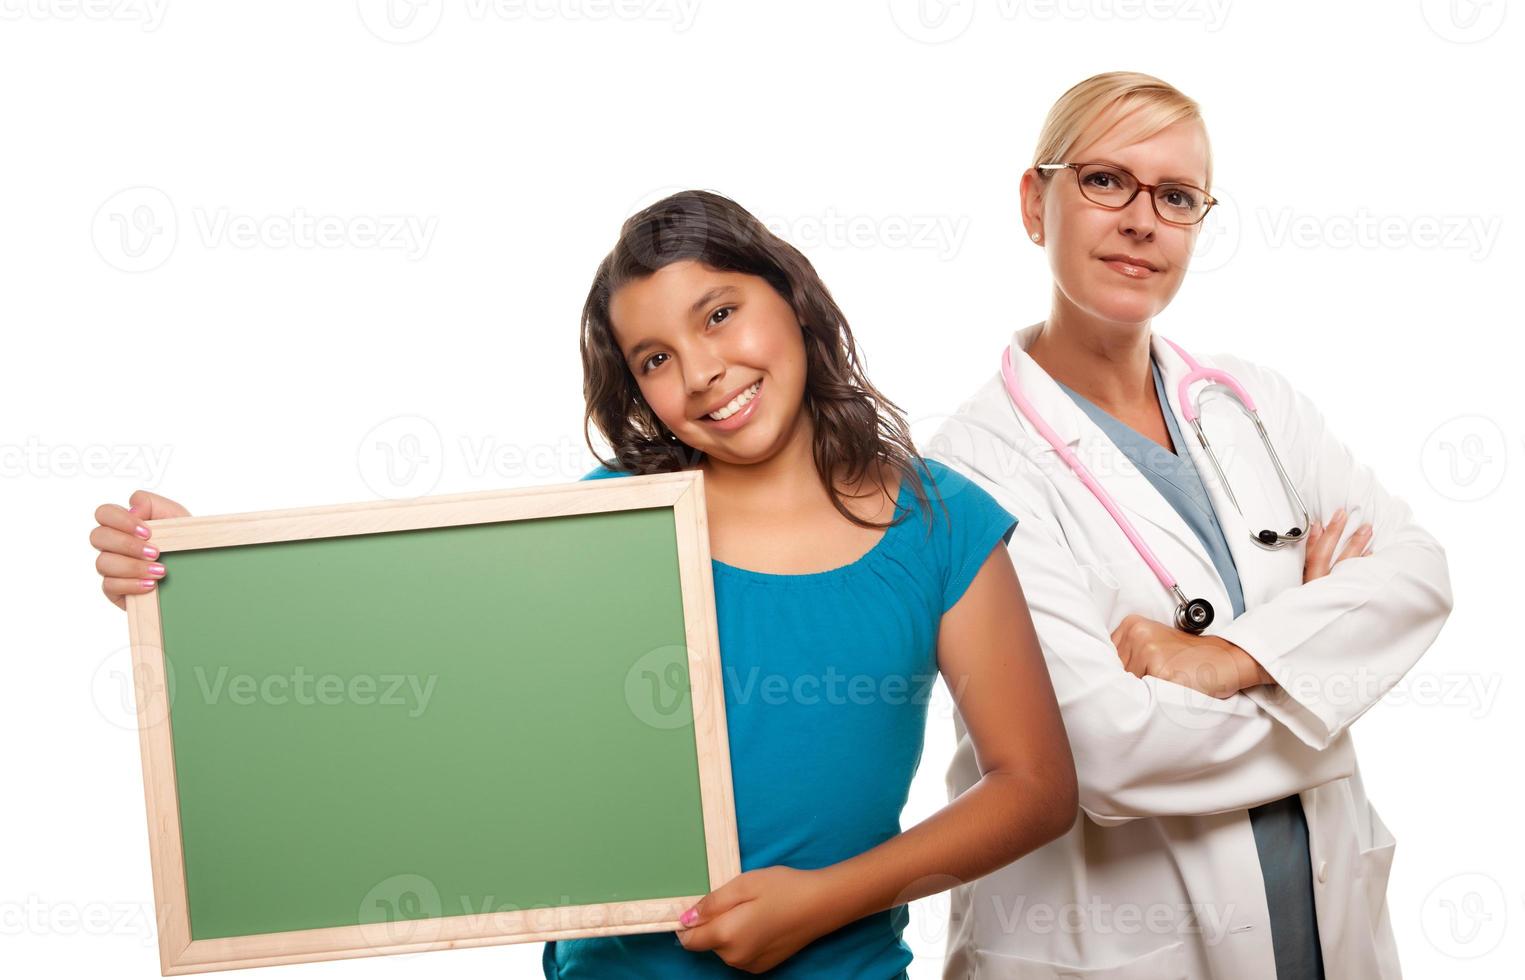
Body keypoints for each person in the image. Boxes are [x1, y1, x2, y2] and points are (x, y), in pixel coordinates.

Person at [88, 189, 1080, 978]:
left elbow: (1035, 786)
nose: (700, 370)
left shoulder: (939, 520)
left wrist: (822, 900)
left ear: (793, 296)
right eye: (656, 357)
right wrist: (200, 584)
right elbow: (401, 671)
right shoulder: (607, 524)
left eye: (720, 313)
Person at [928, 72, 1454, 979]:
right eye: (1105, 181)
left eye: (1175, 196)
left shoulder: (1253, 405)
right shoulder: (971, 469)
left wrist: (1234, 660)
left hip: (1324, 931)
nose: (1141, 220)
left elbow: (1417, 576)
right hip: (1115, 949)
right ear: (1033, 201)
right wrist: (1328, 681)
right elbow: (1111, 753)